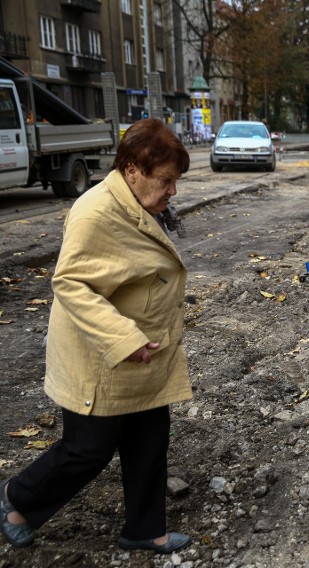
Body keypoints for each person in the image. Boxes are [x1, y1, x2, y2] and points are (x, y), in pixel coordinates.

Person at [1, 119, 193, 553]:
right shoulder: (96, 211)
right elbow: (69, 283)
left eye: (175, 181)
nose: (172, 191)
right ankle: (16, 499)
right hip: (102, 354)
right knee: (88, 448)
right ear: (132, 170)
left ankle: (144, 528)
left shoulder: (137, 205)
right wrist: (124, 338)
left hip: (143, 353)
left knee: (150, 439)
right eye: (165, 181)